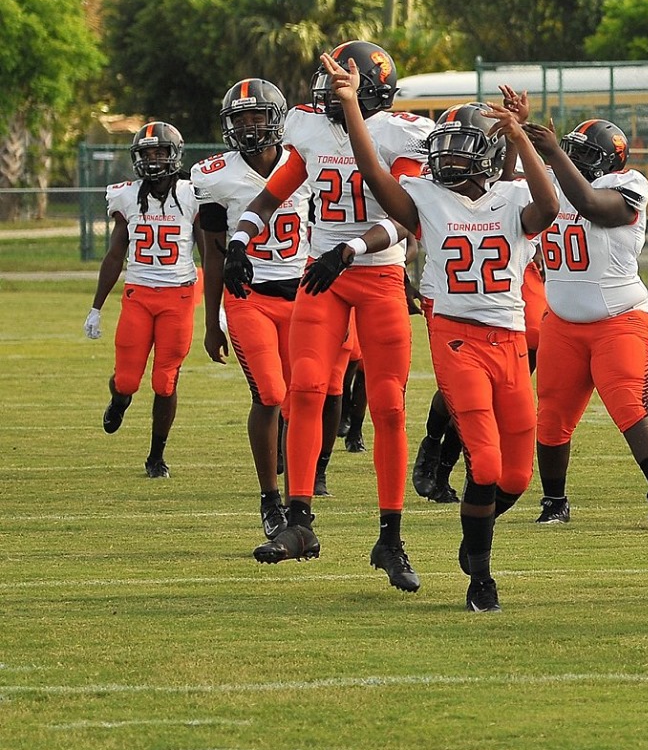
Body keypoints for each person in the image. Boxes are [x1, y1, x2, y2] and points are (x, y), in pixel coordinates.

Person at [334, 74, 556, 613]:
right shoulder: (426, 196)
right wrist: (350, 109)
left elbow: (549, 206)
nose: (449, 159)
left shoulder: (514, 196)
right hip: (457, 339)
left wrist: (521, 136)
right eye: (444, 148)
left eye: (462, 147)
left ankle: (472, 533)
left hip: (509, 339)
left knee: (518, 475)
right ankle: (481, 574)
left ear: (488, 153)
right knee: (483, 462)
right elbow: (371, 171)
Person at [231, 41, 432, 590]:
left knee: (388, 405)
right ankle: (299, 524)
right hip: (324, 277)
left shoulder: (403, 133)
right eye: (325, 89)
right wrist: (239, 241)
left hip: (377, 274)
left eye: (342, 88)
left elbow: (407, 218)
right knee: (306, 390)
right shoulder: (312, 130)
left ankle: (391, 537)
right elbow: (271, 196)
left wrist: (348, 251)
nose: (326, 100)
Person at [525, 118, 648, 529]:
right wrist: (514, 135)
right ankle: (554, 501)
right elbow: (510, 178)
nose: (575, 159)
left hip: (620, 318)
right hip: (561, 320)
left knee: (630, 406)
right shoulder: (549, 179)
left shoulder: (629, 185)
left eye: (585, 154)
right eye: (571, 149)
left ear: (612, 162)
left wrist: (556, 155)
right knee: (553, 415)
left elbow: (593, 207)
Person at [192, 80, 311, 534]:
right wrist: (211, 322)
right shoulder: (215, 174)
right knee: (270, 394)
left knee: (301, 397)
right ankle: (270, 498)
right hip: (249, 298)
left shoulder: (306, 163)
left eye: (255, 116)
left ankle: (301, 490)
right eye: (239, 118)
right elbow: (213, 250)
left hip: (303, 295)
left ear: (275, 118)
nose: (247, 125)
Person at [88, 121, 200, 479]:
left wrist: (222, 303)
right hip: (138, 294)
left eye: (160, 152)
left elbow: (210, 251)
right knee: (127, 380)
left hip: (179, 295)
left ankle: (156, 457)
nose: (153, 159)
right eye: (146, 153)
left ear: (174, 155)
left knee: (165, 381)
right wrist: (96, 307)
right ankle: (119, 402)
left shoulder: (192, 194)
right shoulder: (127, 196)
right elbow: (113, 256)